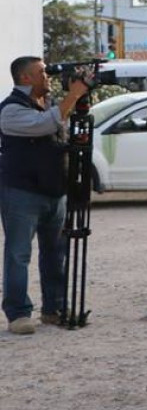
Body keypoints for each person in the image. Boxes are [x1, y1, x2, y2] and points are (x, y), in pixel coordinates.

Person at [0, 56, 88, 334]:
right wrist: (74, 93)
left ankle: (55, 308)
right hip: (21, 192)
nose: (48, 76)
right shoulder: (10, 110)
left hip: (54, 191)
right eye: (42, 72)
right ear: (25, 78)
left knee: (56, 253)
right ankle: (18, 314)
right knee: (18, 253)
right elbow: (45, 125)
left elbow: (57, 130)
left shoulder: (49, 105)